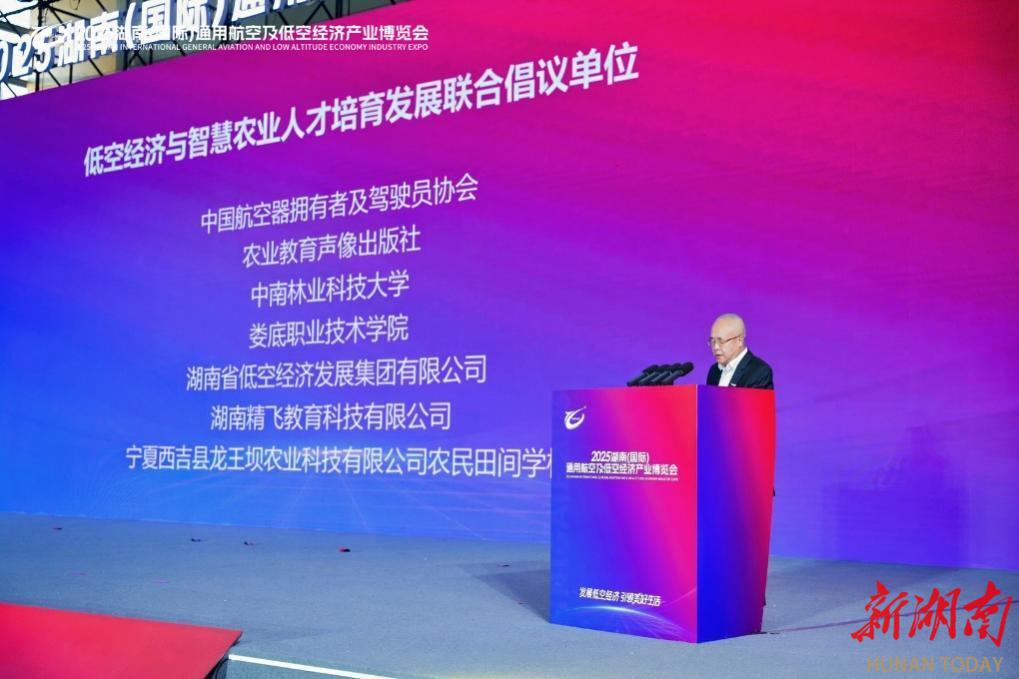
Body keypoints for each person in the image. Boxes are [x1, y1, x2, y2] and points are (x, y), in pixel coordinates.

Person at [705, 313, 773, 389]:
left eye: (721, 341)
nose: (715, 347)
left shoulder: (759, 371)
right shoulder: (714, 371)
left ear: (739, 340)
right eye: (713, 341)